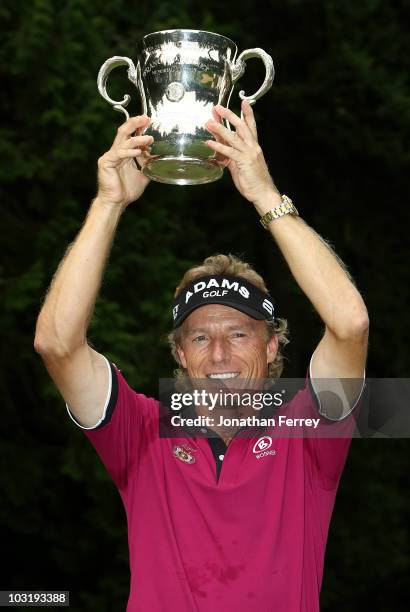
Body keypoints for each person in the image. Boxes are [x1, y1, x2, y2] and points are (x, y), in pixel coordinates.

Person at [34, 100, 369, 611]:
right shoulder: (141, 431)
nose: (218, 354)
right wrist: (109, 203)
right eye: (198, 337)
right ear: (180, 354)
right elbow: (57, 344)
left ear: (273, 344)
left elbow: (350, 325)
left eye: (238, 334)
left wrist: (264, 195)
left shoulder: (310, 433)